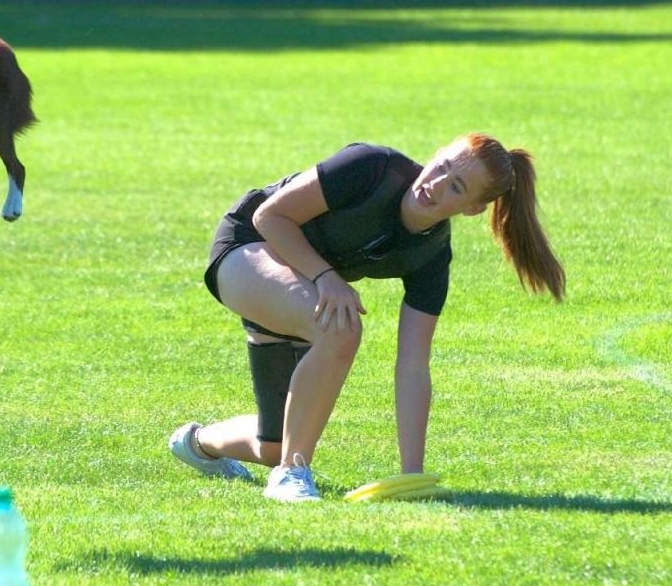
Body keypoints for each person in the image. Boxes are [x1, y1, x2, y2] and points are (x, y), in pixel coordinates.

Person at [169, 134, 565, 502]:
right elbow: (269, 217)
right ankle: (292, 473)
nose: (435, 184)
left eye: (456, 187)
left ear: (473, 209)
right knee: (340, 327)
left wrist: (412, 474)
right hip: (247, 247)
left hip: (296, 285)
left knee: (273, 445)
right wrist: (327, 278)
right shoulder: (372, 167)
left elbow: (413, 366)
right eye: (441, 166)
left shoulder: (432, 256)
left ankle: (197, 443)